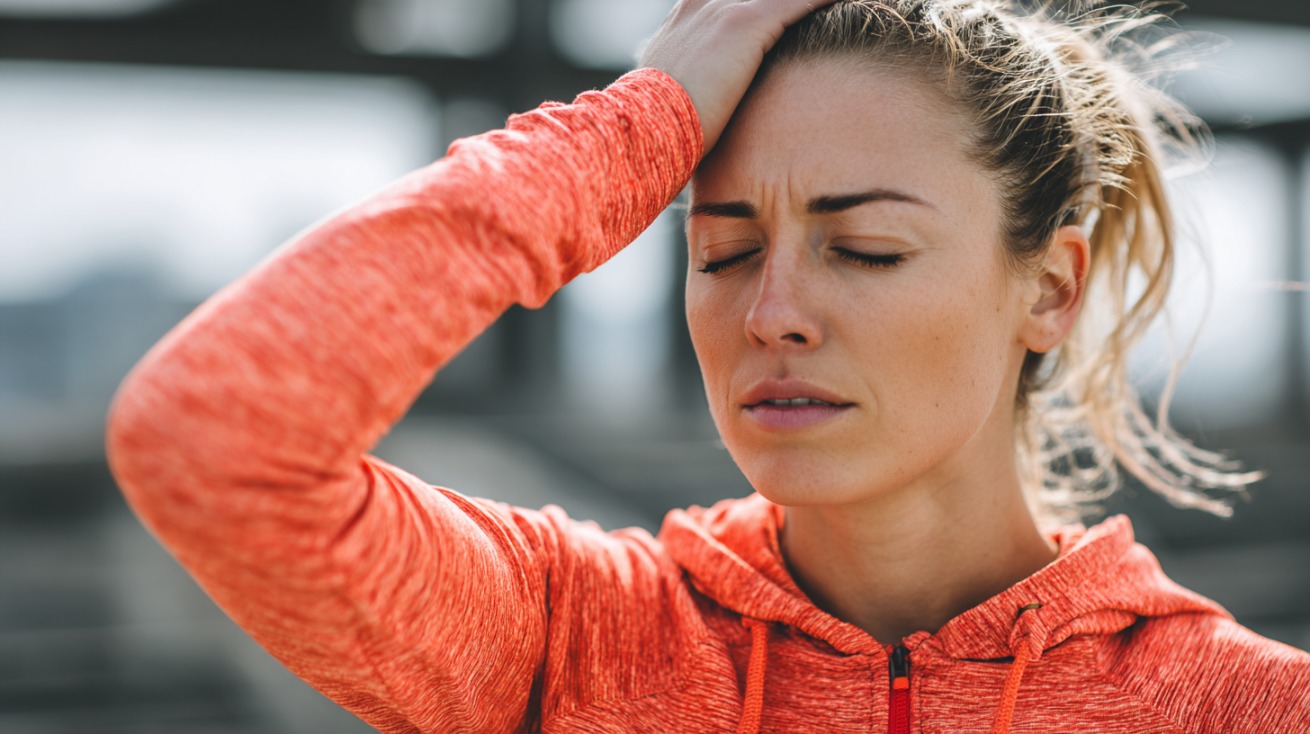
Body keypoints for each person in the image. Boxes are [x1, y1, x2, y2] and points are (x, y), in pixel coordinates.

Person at [106, 0, 1310, 732]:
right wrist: (635, 125)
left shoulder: (1246, 707)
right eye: (723, 251)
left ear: (1049, 285)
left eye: (866, 249)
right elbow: (211, 437)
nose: (773, 312)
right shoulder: (566, 642)